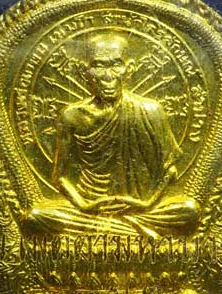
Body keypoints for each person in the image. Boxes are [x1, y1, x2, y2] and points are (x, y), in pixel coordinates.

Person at [25, 32, 199, 238]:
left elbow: (170, 171)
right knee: (35, 217)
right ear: (85, 72)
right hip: (90, 207)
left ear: (129, 69)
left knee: (189, 212)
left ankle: (108, 229)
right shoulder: (72, 116)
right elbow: (60, 177)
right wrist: (84, 205)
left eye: (116, 65)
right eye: (99, 66)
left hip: (142, 208)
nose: (108, 76)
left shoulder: (151, 111)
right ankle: (129, 230)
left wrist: (146, 204)